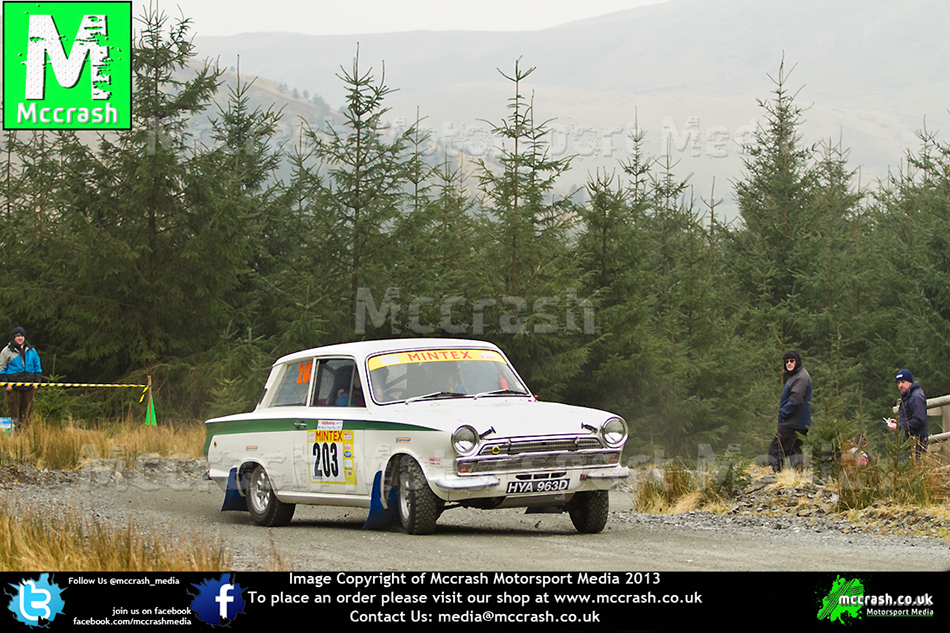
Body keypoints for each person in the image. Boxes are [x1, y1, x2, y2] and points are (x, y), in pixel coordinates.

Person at [768, 350, 812, 472]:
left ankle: (773, 475)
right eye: (786, 362)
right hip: (798, 422)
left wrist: (783, 414)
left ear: (797, 361)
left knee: (776, 449)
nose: (789, 364)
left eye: (792, 361)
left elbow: (795, 401)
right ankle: (799, 476)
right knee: (794, 451)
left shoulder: (801, 377)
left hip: (793, 423)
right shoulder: (796, 376)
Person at [0, 327, 42, 429]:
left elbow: (37, 366)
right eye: (17, 336)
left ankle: (25, 433)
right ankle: (15, 434)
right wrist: (6, 383)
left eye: (21, 336)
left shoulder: (31, 350)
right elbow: (2, 367)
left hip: (29, 385)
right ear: (14, 337)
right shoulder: (6, 351)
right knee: (14, 411)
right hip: (13, 386)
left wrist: (37, 382)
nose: (20, 338)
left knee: (27, 411)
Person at [886, 369, 928, 461]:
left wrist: (898, 426)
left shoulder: (916, 396)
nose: (900, 386)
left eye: (903, 382)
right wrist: (898, 422)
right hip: (907, 443)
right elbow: (911, 417)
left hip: (915, 443)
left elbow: (919, 420)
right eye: (898, 383)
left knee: (913, 470)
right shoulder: (908, 396)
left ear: (910, 382)